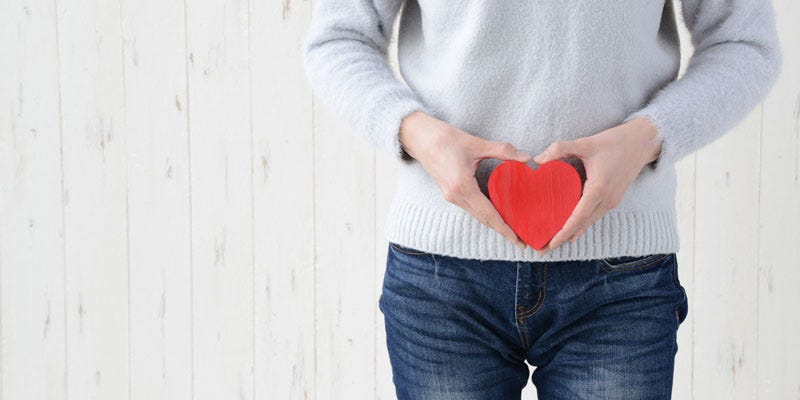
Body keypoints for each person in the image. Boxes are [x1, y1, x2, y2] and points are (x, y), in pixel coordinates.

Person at [302, 1, 782, 399]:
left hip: (620, 280)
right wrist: (420, 135)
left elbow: (744, 44)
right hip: (440, 278)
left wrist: (646, 139)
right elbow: (337, 38)